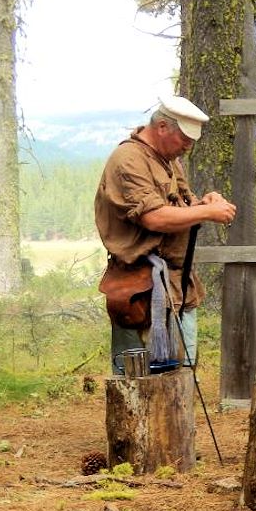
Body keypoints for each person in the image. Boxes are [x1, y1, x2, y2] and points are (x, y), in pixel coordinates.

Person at [95, 96, 236, 373]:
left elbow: (180, 209)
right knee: (136, 382)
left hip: (177, 285)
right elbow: (155, 218)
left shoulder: (170, 161)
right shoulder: (128, 160)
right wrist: (207, 214)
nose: (188, 146)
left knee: (181, 376)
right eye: (184, 138)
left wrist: (203, 203)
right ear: (162, 127)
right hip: (139, 290)